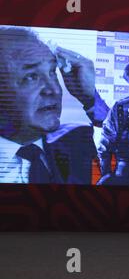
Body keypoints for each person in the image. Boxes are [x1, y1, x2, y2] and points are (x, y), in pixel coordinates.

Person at [0, 26, 109, 184]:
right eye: (31, 76)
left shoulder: (78, 141)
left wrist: (91, 100)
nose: (54, 90)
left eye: (52, 72)